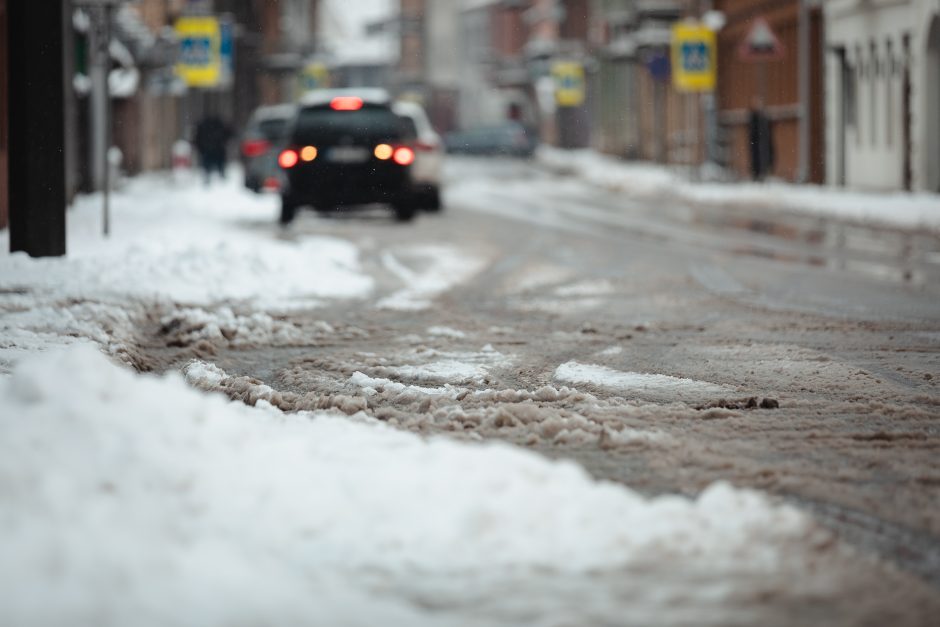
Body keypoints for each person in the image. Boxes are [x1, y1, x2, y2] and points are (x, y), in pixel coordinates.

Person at [194, 114, 232, 184]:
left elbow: (197, 139)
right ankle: (218, 179)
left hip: (210, 150)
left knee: (210, 167)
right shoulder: (218, 125)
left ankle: (219, 179)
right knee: (214, 168)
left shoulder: (205, 125)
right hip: (214, 150)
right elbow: (228, 134)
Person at [748, 96, 774, 181]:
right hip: (755, 142)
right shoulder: (753, 117)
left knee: (766, 156)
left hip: (763, 142)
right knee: (756, 158)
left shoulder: (762, 117)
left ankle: (764, 172)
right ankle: (757, 174)